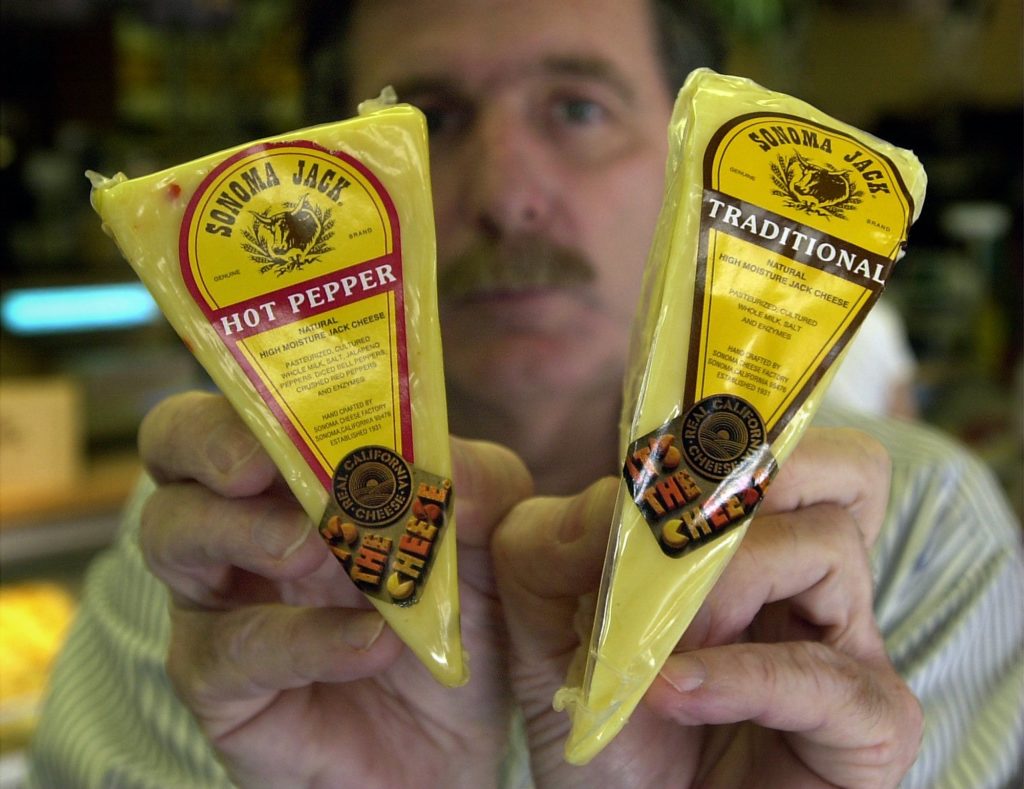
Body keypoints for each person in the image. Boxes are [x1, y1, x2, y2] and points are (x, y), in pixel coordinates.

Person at [29, 1, 1024, 787]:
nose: (506, 194)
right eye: (432, 123)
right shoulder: (225, 563)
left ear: (694, 164)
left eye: (577, 108)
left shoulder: (912, 533)